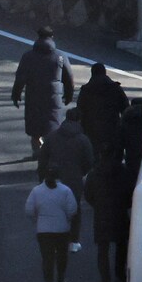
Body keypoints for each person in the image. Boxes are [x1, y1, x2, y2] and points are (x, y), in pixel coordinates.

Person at [11, 26, 74, 158]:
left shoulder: (28, 56)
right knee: (52, 124)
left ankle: (37, 151)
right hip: (53, 96)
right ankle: (51, 153)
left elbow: (20, 78)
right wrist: (68, 95)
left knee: (35, 125)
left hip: (33, 95)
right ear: (52, 37)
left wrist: (16, 95)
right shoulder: (60, 56)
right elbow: (68, 79)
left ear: (38, 37)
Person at [37, 108, 94, 250]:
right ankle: (73, 241)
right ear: (79, 121)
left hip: (54, 179)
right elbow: (89, 161)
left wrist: (42, 177)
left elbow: (43, 159)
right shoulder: (83, 139)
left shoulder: (51, 137)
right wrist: (81, 172)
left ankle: (55, 239)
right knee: (74, 209)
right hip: (74, 180)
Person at [24, 168, 78, 282]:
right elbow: (72, 209)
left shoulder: (36, 191)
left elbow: (29, 210)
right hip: (62, 229)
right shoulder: (65, 190)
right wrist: (67, 219)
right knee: (62, 255)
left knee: (47, 258)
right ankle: (60, 278)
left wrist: (36, 220)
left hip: (44, 230)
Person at [83, 149, 131, 282]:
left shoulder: (94, 174)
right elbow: (129, 192)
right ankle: (120, 274)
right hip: (119, 213)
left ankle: (105, 279)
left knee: (102, 249)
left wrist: (97, 205)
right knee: (121, 247)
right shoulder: (123, 173)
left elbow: (88, 194)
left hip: (102, 215)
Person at [75, 62, 130, 156]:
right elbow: (126, 108)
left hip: (91, 129)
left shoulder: (86, 90)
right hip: (112, 127)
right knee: (112, 156)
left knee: (94, 156)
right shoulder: (115, 88)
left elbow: (80, 111)